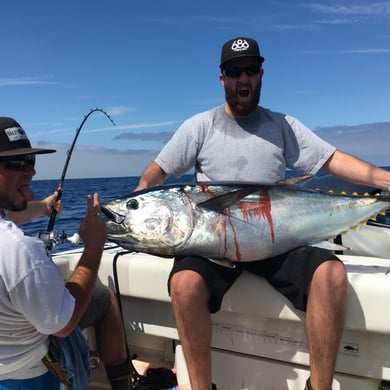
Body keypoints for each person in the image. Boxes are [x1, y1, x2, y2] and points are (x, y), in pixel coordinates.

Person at [135, 37, 390, 390]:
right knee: (183, 284)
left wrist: (384, 179)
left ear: (261, 74)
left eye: (250, 70)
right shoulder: (199, 126)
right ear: (222, 78)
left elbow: (331, 159)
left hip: (276, 240)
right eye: (234, 71)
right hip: (214, 244)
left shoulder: (281, 125)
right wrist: (141, 194)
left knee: (331, 275)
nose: (243, 79)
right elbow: (159, 170)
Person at [0, 117, 132, 390]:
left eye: (29, 161)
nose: (29, 172)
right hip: (29, 374)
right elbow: (62, 324)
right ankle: (122, 384)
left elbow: (12, 214)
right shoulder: (19, 249)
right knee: (101, 296)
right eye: (15, 164)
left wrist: (43, 207)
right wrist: (94, 247)